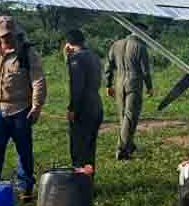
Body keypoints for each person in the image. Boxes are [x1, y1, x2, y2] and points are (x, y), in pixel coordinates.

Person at [0, 15, 46, 203]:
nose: (5, 39)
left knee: (24, 150)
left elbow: (38, 80)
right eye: (2, 36)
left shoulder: (27, 52)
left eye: (8, 35)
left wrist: (37, 106)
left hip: (20, 109)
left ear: (15, 33)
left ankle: (25, 188)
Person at [104, 28, 153, 160]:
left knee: (123, 116)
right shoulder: (140, 47)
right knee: (130, 116)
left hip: (119, 82)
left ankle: (129, 145)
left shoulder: (116, 44)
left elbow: (108, 66)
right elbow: (145, 71)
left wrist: (108, 84)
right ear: (140, 32)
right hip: (134, 83)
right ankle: (121, 149)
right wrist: (149, 87)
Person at [63, 29, 104, 170]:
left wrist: (72, 108)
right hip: (96, 105)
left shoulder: (76, 58)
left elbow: (77, 86)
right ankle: (88, 181)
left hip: (83, 109)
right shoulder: (94, 56)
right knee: (89, 149)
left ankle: (79, 185)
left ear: (68, 43)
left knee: (78, 150)